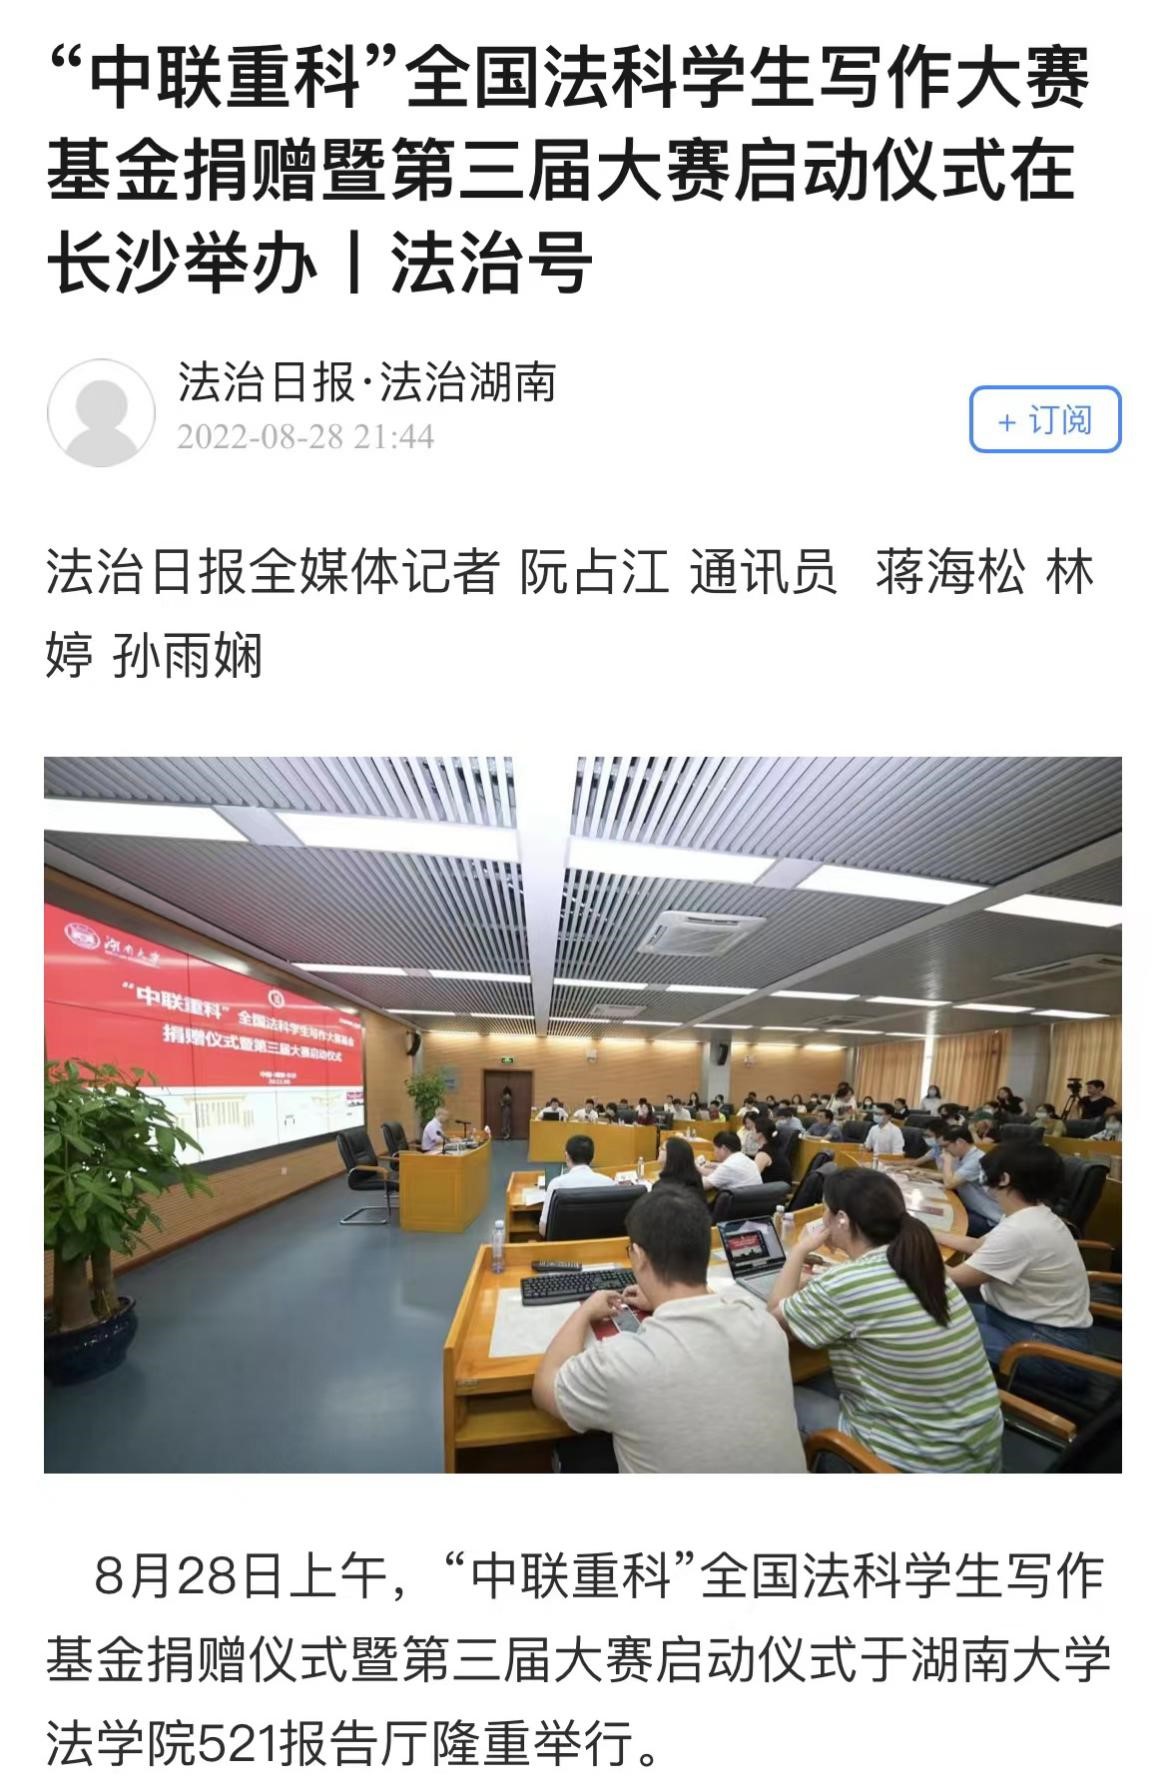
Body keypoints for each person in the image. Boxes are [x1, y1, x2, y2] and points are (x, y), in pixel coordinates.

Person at [532, 1184, 805, 1474]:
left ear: (638, 1256)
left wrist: (585, 1310)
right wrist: (662, 1298)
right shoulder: (766, 1327)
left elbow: (544, 1387)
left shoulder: (624, 1361)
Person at [769, 1169, 1003, 1473]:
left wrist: (799, 1251)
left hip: (911, 1462)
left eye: (826, 1211)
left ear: (842, 1219)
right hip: (976, 1451)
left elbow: (772, 1323)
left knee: (772, 1394)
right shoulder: (920, 1262)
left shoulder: (848, 1283)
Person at [935, 1143, 1093, 1380]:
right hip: (1018, 1320)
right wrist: (925, 1232)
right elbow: (978, 1245)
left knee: (924, 1323)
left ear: (1004, 1179)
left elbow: (956, 1278)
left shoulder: (1022, 1230)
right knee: (933, 1309)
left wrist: (906, 1244)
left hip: (1048, 1349)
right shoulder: (1031, 1214)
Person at [539, 1134, 615, 1237]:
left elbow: (543, 1230)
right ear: (592, 1157)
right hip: (600, 1246)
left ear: (566, 1156)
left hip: (565, 1246)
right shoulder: (609, 1183)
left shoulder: (556, 1184)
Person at [941, 1126, 1001, 1232]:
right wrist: (925, 1174)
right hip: (972, 1209)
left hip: (987, 1218)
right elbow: (954, 1176)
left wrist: (947, 1161)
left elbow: (949, 1183)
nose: (945, 1150)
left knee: (944, 1220)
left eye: (946, 1146)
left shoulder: (977, 1159)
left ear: (960, 1142)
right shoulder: (963, 1156)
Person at [698, 1129, 763, 1196]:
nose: (714, 1152)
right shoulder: (745, 1159)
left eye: (714, 1149)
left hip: (739, 1201)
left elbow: (703, 1185)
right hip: (753, 1199)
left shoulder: (728, 1166)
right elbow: (718, 1174)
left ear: (723, 1148)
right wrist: (699, 1169)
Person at [753, 1118, 794, 1188]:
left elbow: (752, 1178)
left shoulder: (763, 1154)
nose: (751, 1132)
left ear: (760, 1134)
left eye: (753, 1129)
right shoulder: (774, 1148)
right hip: (779, 1190)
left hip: (771, 1192)